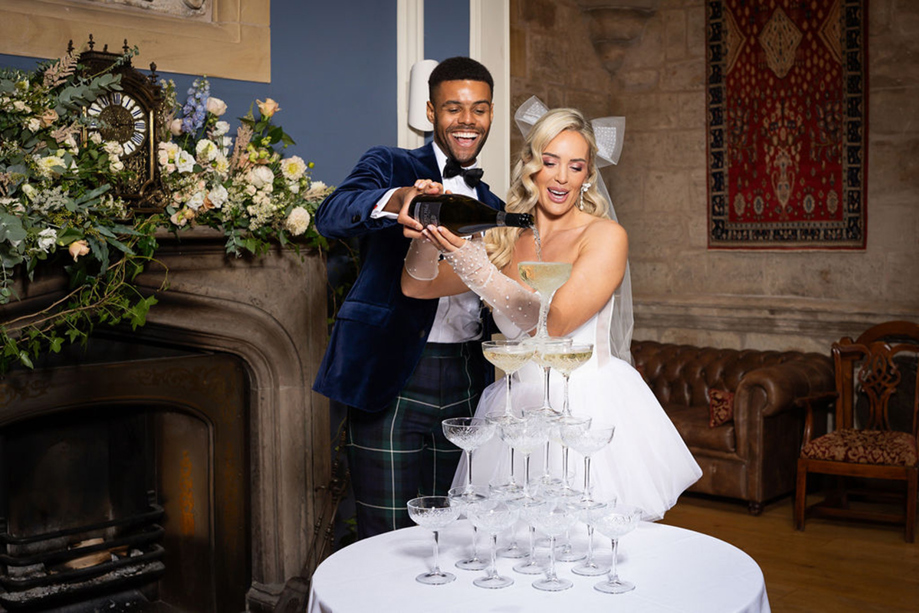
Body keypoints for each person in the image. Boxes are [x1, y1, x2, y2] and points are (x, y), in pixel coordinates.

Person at [400, 101, 702, 520]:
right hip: (514, 411)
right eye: (550, 161)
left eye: (575, 166)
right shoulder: (502, 237)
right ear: (530, 166)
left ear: (588, 176)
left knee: (584, 540)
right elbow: (417, 285)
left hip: (584, 408)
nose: (561, 177)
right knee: (512, 542)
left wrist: (476, 269)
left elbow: (555, 325)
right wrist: (426, 229)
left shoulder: (604, 236)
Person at [312, 57, 504, 539]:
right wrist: (396, 199)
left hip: (467, 378)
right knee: (385, 535)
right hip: (390, 375)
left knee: (455, 532)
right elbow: (331, 213)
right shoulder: (391, 163)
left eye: (478, 109)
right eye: (453, 108)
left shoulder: (495, 205)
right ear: (431, 110)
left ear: (491, 115)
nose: (467, 120)